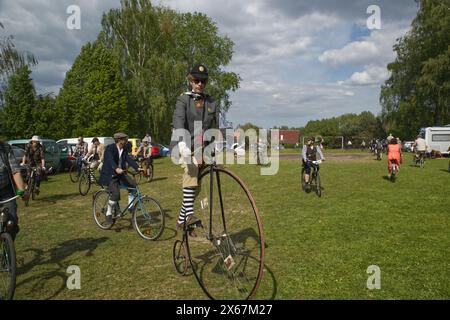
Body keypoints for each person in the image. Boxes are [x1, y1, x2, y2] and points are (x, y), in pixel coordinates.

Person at [172, 63, 219, 229]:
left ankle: (181, 220)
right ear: (190, 81)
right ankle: (190, 215)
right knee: (191, 169)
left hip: (201, 148)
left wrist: (213, 148)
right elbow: (178, 120)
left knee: (194, 189)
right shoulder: (184, 99)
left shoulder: (211, 102)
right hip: (183, 145)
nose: (200, 84)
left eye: (203, 81)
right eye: (196, 80)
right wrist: (183, 143)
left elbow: (213, 127)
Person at [99, 133, 141, 227]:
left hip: (120, 174)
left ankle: (130, 207)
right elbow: (109, 159)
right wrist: (116, 168)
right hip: (110, 174)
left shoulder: (124, 149)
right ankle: (108, 213)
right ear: (119, 140)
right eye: (125, 139)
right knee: (116, 194)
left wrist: (137, 168)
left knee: (133, 185)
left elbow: (128, 159)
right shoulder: (110, 148)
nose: (126, 141)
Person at [0, 140, 26, 241]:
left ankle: (8, 250)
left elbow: (15, 171)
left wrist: (21, 189)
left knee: (12, 220)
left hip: (6, 190)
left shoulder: (5, 148)